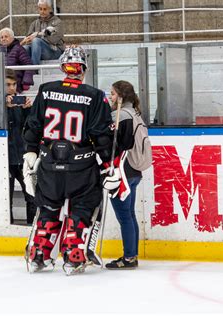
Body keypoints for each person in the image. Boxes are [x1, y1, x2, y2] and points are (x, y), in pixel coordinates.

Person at [22, 46, 113, 274]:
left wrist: (30, 151)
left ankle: (38, 255)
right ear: (83, 69)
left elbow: (33, 125)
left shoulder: (45, 91)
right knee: (82, 208)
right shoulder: (94, 95)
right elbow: (101, 134)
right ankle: (73, 257)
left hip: (50, 164)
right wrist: (108, 164)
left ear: (63, 67)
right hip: (81, 166)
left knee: (48, 207)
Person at [0, 69, 36, 224]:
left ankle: (31, 225)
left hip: (22, 157)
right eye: (8, 85)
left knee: (31, 195)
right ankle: (10, 227)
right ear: (0, 86)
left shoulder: (22, 103)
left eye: (14, 84)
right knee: (6, 198)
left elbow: (33, 128)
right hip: (4, 158)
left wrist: (29, 111)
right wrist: (4, 109)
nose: (12, 88)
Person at [103, 81, 144, 270]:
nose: (110, 97)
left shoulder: (120, 115)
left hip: (122, 172)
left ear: (120, 96)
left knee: (124, 216)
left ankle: (128, 257)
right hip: (134, 171)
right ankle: (132, 255)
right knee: (130, 215)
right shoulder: (135, 112)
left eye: (112, 94)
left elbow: (115, 144)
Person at [0, 27, 34, 108]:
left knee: (4, 86)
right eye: (2, 37)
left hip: (12, 79)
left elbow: (28, 64)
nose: (4, 39)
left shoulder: (19, 49)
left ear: (12, 38)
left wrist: (26, 81)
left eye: (6, 36)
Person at [20, 0, 65, 65]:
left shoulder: (58, 22)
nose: (42, 11)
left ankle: (34, 70)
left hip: (54, 51)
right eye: (40, 9)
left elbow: (53, 39)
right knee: (25, 48)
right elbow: (29, 39)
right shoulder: (34, 23)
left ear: (49, 9)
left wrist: (37, 34)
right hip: (37, 50)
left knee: (36, 41)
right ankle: (23, 72)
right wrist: (42, 35)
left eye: (44, 9)